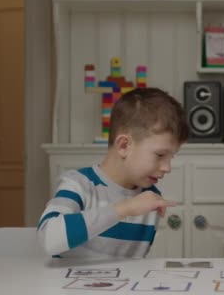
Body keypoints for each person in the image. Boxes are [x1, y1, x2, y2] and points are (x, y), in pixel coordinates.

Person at [37, 87, 189, 258]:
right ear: (124, 146)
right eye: (160, 155)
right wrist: (125, 208)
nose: (167, 167)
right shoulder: (79, 185)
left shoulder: (149, 198)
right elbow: (48, 238)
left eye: (171, 157)